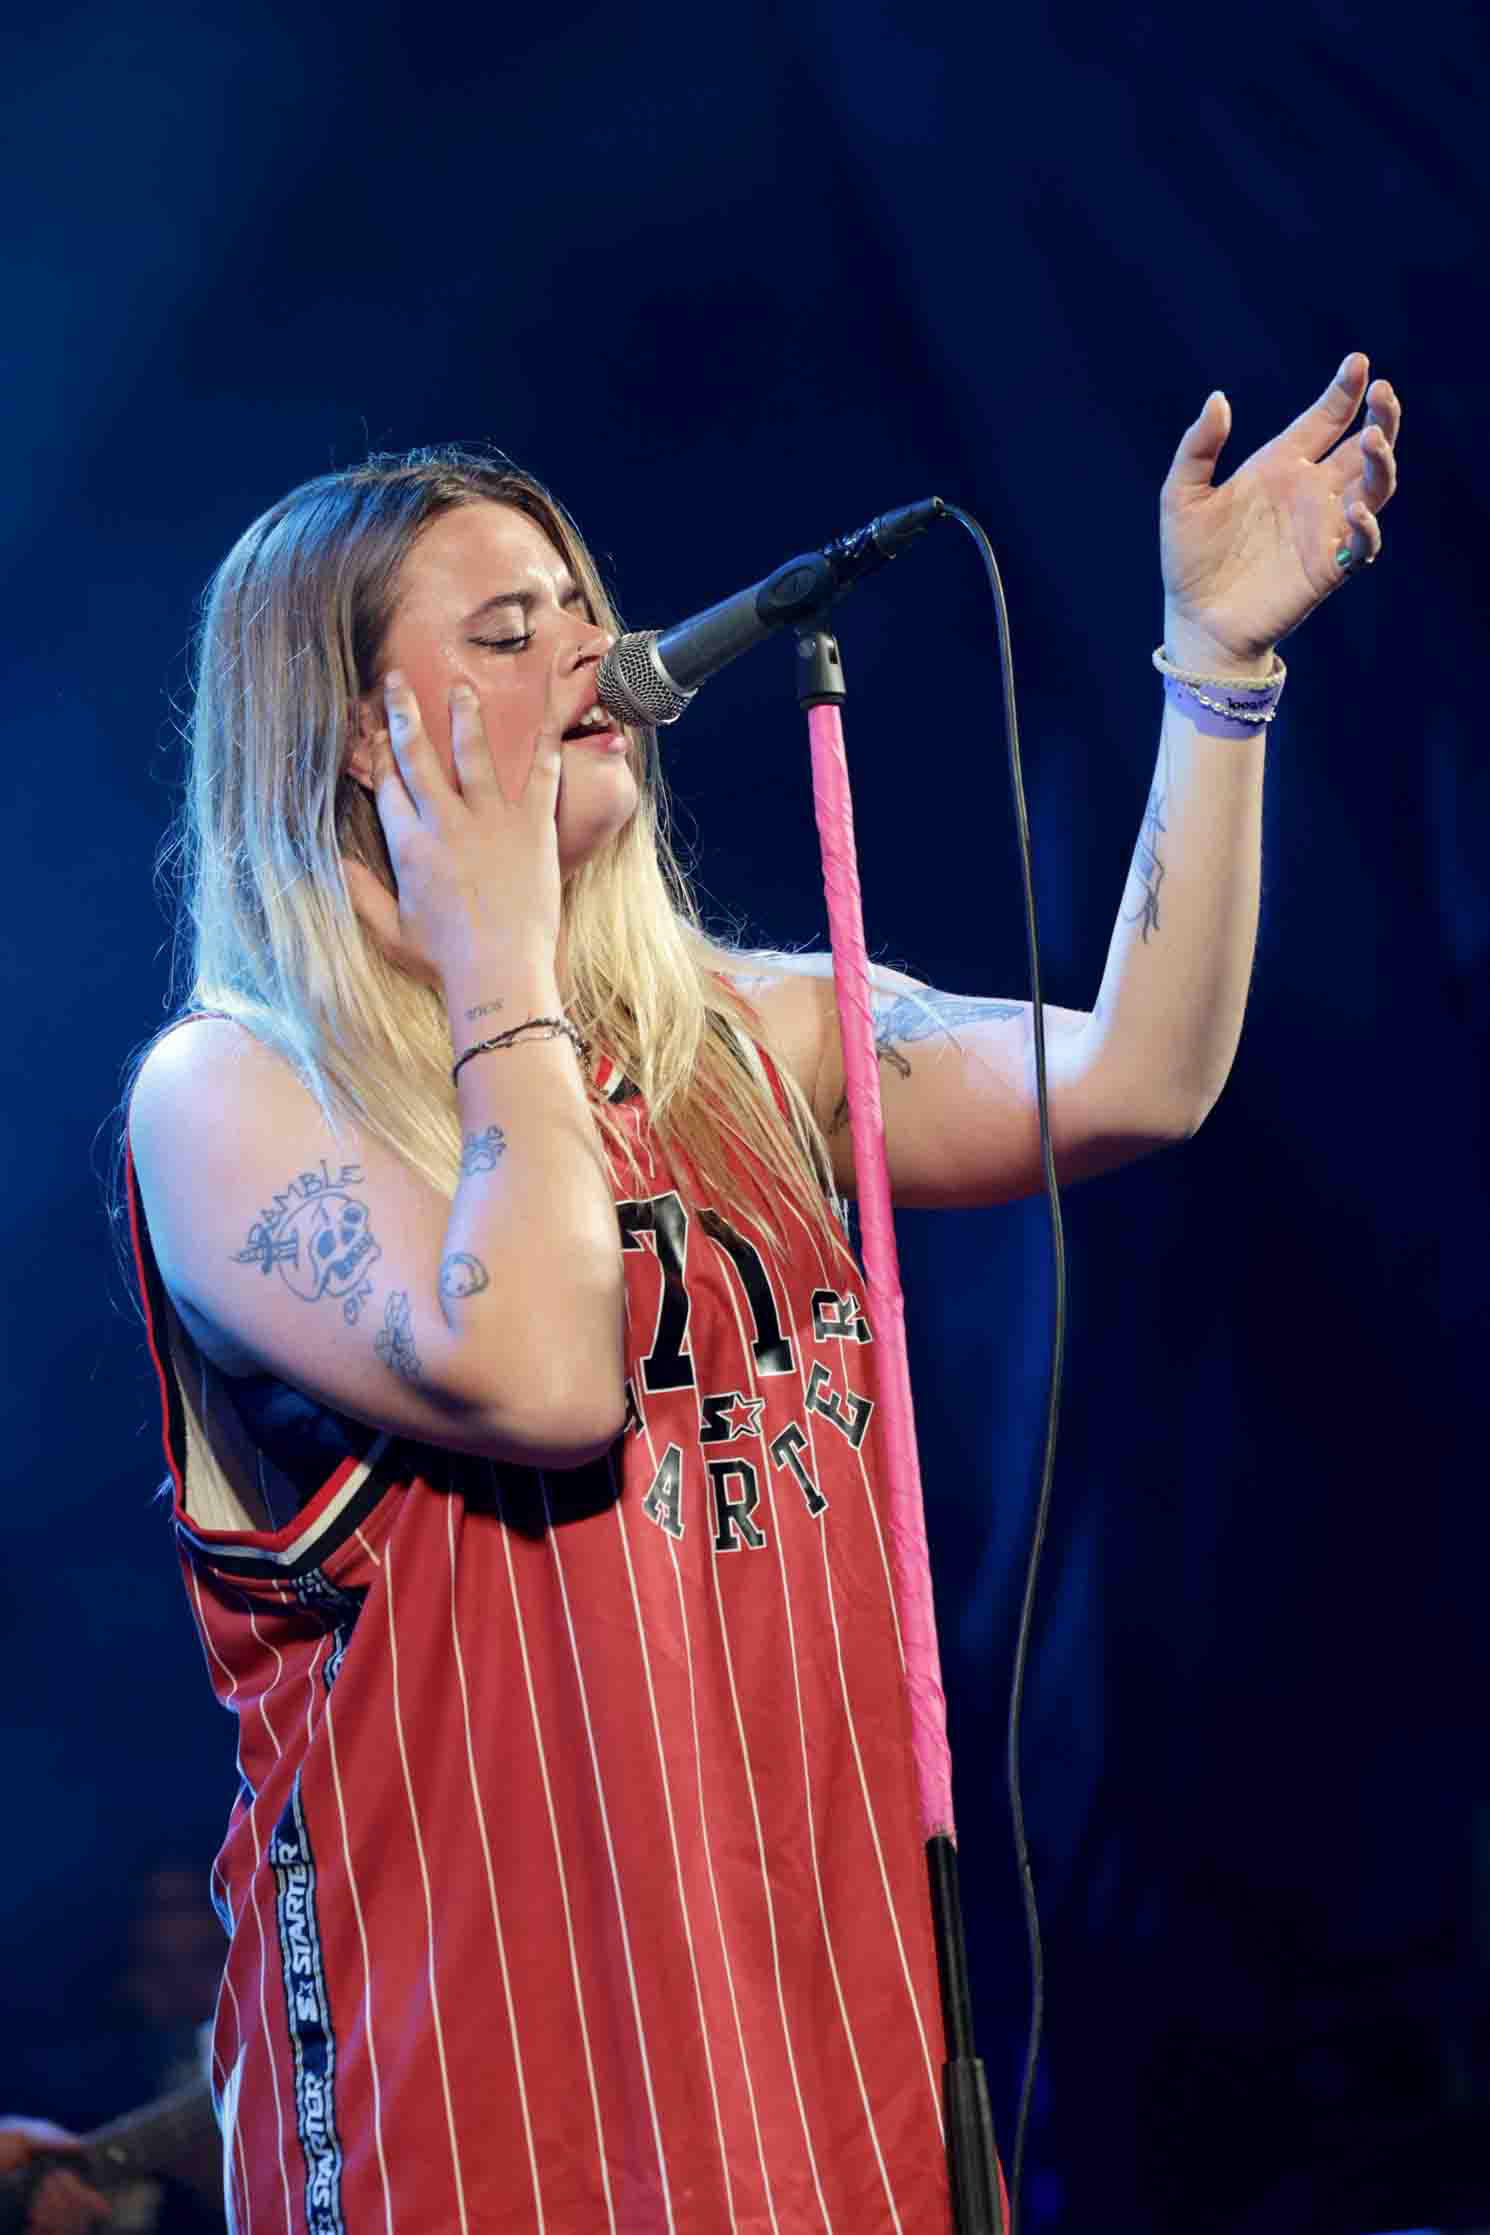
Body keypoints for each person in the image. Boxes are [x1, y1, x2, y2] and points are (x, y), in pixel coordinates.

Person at [115, 356, 1398, 2233]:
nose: (595, 650)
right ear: (354, 742)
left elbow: (1138, 1073)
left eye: (582, 605)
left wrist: (1214, 676)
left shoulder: (742, 1034)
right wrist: (491, 959)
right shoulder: (230, 1098)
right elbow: (543, 1371)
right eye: (506, 630)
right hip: (489, 2097)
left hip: (817, 2054)